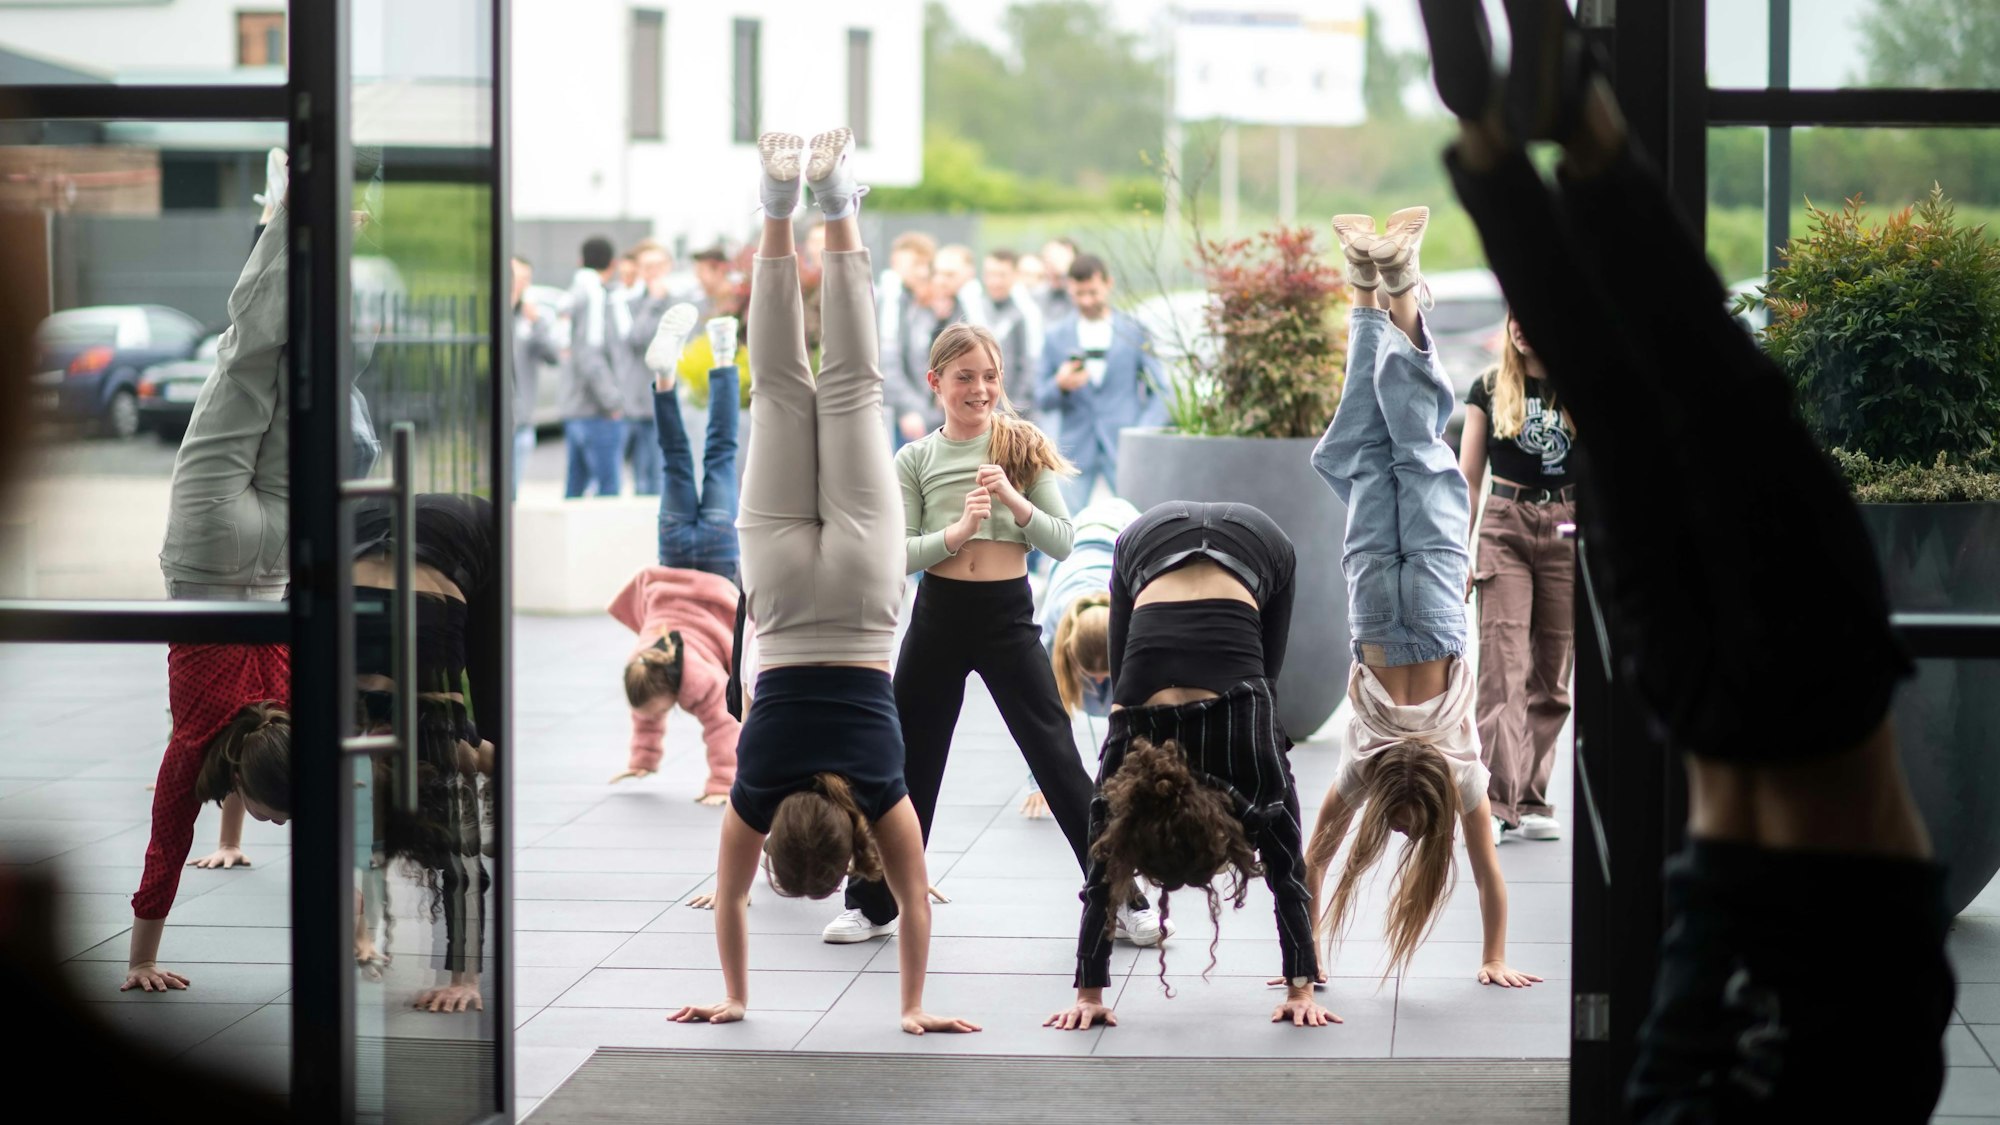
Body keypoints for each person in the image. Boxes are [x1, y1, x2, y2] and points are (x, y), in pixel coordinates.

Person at [1417, 1, 1950, 1118]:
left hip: (1803, 741)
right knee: (1625, 397)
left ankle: (1578, 128)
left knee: (1696, 382)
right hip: (1711, 737)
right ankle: (1487, 140)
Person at [669, 127, 976, 1036]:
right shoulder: (755, 784)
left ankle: (836, 203)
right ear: (775, 844)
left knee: (851, 388)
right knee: (778, 384)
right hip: (781, 586)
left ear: (852, 850)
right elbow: (730, 904)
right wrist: (733, 993)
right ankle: (776, 206)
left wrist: (916, 1002)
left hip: (866, 590)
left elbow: (915, 906)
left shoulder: (881, 787)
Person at [824, 322, 1164, 948]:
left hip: (1008, 617)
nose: (980, 389)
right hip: (938, 616)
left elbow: (1062, 540)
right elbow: (895, 554)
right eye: (964, 378)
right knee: (906, 764)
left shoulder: (1022, 443)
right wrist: (953, 536)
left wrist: (1013, 498)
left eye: (990, 377)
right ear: (935, 384)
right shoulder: (916, 458)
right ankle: (873, 901)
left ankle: (1122, 895)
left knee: (1057, 759)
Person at [1303, 202, 1538, 991]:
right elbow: (1310, 860)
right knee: (1366, 443)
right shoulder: (1367, 769)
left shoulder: (1459, 779)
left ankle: (1390, 284)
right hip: (1376, 602)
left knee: (1409, 439)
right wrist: (1300, 960)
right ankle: (1371, 285)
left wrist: (1496, 952)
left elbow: (1487, 882)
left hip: (1435, 598)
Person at [1046, 501, 1331, 1032]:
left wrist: (1089, 993)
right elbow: (1102, 874)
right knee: (1258, 686)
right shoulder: (1132, 740)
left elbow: (1291, 871)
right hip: (1152, 538)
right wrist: (1301, 985)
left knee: (1262, 686)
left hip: (1247, 542)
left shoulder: (1251, 741)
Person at [606, 306, 745, 805]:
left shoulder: (696, 679)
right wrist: (639, 764)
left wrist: (719, 788)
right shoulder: (645, 660)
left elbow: (723, 728)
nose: (656, 712)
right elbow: (645, 710)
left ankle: (724, 352)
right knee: (677, 460)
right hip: (673, 548)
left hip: (716, 549)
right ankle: (664, 376)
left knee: (721, 452)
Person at [1458, 312, 1575, 842]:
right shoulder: (1488, 386)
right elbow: (1468, 479)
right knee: (1501, 669)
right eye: (1514, 316)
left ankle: (1531, 796)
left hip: (1567, 531)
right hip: (1503, 528)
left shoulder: (1581, 385)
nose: (1523, 325)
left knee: (1551, 674)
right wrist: (1459, 550)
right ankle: (1497, 802)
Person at [1021, 496, 1141, 819]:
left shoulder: (1135, 621)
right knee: (1050, 694)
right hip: (1081, 538)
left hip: (1127, 530)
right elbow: (1036, 714)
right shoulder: (1048, 634)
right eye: (1093, 675)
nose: (1100, 682)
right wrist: (1039, 784)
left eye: (1105, 675)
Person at [1036, 255, 1166, 511]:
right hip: (1075, 450)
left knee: (1136, 523)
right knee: (1062, 530)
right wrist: (1060, 385)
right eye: (1078, 294)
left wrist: (1140, 433)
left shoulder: (1133, 330)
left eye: (1093, 292)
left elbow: (1163, 392)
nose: (1086, 301)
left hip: (1124, 448)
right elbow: (1041, 397)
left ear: (1109, 284)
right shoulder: (1055, 336)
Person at [562, 235, 625, 498]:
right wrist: (612, 401)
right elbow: (591, 354)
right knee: (608, 492)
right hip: (596, 411)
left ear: (580, 261)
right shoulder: (594, 295)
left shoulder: (575, 293)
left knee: (574, 491)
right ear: (613, 264)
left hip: (575, 407)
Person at [614, 239, 677, 497]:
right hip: (642, 405)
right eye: (647, 267)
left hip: (675, 401)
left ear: (668, 266)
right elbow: (637, 340)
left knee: (672, 475)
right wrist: (653, 302)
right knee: (645, 480)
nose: (653, 272)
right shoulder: (630, 303)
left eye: (658, 265)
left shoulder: (680, 300)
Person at [880, 231, 940, 445]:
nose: (923, 271)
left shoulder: (915, 302)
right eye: (916, 263)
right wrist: (908, 409)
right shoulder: (890, 298)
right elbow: (887, 362)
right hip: (896, 414)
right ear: (895, 261)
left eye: (927, 265)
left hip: (918, 409)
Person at [511, 255, 560, 499]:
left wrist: (537, 322)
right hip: (498, 422)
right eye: (516, 277)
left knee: (512, 496)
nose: (520, 284)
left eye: (525, 279)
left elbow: (553, 356)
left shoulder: (529, 319)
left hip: (522, 421)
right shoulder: (496, 315)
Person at [979, 249, 1042, 420]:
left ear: (1014, 276)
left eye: (1001, 275)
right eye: (991, 274)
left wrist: (1012, 411)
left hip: (1016, 413)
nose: (995, 281)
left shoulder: (1026, 312)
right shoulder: (975, 310)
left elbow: (1030, 366)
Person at [1037, 237, 1078, 325]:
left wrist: (1064, 273)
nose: (1049, 264)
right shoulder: (1040, 294)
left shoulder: (1080, 290)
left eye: (1054, 257)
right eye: (1045, 260)